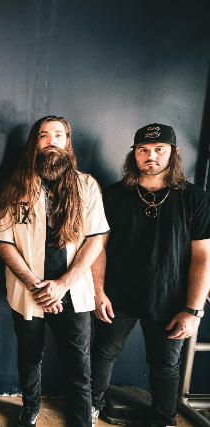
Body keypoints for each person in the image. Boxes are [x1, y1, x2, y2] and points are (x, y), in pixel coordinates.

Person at [0, 116, 109, 427]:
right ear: (35, 143)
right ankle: (30, 408)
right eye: (44, 135)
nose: (51, 141)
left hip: (74, 292)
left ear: (67, 142)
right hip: (28, 292)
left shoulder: (86, 185)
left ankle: (80, 421)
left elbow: (96, 240)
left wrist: (62, 285)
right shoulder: (14, 187)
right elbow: (1, 241)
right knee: (29, 357)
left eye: (58, 135)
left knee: (78, 367)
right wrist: (36, 285)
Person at [90, 123, 210, 427]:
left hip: (170, 298)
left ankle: (164, 420)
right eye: (143, 149)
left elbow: (203, 257)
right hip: (117, 294)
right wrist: (97, 292)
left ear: (174, 153)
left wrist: (193, 310)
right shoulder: (113, 195)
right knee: (102, 353)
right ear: (134, 154)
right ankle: (89, 408)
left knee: (166, 365)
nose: (151, 156)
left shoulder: (195, 198)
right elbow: (98, 248)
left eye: (159, 149)